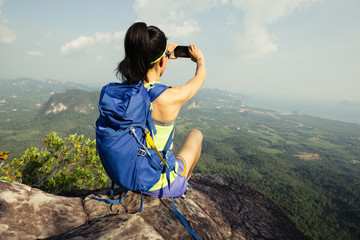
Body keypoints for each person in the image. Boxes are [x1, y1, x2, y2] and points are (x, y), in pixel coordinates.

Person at [115, 22, 206, 198]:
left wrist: (160, 60)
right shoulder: (168, 97)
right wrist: (200, 60)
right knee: (196, 134)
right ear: (163, 59)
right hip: (156, 185)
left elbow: (145, 80)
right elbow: (199, 78)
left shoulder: (124, 92)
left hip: (127, 177)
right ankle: (181, 185)